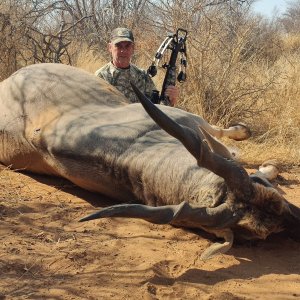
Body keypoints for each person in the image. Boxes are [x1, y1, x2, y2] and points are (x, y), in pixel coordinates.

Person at [95, 27, 179, 106]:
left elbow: (156, 107)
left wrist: (171, 100)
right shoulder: (100, 76)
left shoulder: (143, 76)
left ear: (133, 48)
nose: (123, 51)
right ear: (110, 47)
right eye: (118, 46)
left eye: (127, 46)